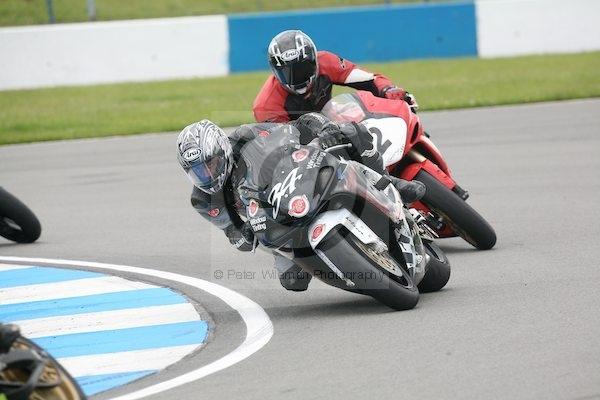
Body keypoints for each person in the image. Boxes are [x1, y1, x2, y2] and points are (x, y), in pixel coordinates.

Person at [176, 114, 425, 291]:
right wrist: (245, 235)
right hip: (270, 222)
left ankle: (389, 183)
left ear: (222, 150)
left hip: (296, 181)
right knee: (293, 281)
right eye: (197, 172)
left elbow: (293, 129)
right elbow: (233, 233)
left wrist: (323, 130)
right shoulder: (203, 200)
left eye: (210, 165)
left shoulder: (245, 137)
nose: (207, 175)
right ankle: (352, 272)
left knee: (350, 132)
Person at [253, 30, 418, 123]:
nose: (297, 77)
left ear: (314, 60)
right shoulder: (266, 105)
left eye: (303, 68)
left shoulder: (326, 61)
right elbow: (281, 149)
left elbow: (369, 79)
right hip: (303, 150)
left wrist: (388, 89)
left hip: (333, 123)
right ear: (275, 71)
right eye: (287, 72)